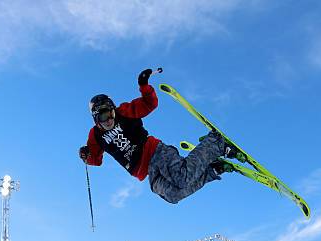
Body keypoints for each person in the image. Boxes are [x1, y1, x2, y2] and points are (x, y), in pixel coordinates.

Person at [80, 69, 239, 205]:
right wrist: (86, 156)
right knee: (172, 196)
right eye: (103, 117)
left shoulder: (123, 112)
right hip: (145, 171)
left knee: (182, 177)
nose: (109, 120)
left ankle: (216, 143)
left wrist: (144, 87)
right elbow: (96, 159)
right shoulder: (95, 136)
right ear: (95, 118)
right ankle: (212, 169)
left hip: (155, 152)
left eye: (111, 113)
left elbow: (149, 104)